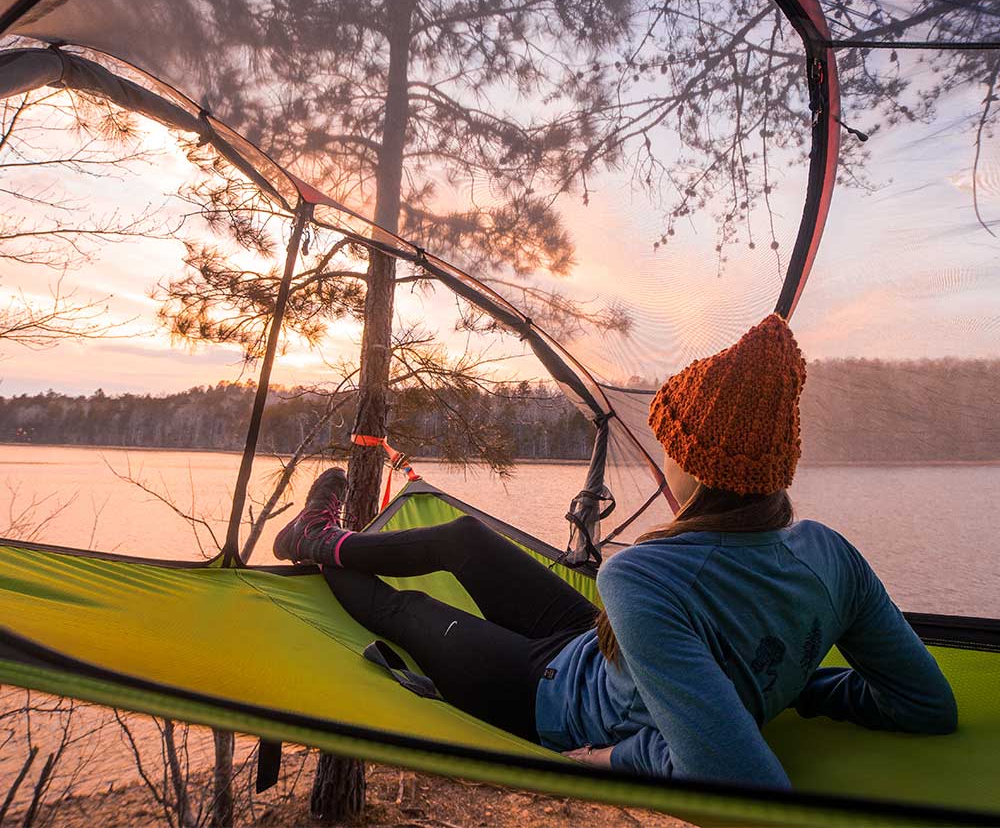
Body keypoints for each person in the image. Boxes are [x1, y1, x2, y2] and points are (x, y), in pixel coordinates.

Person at [274, 314, 957, 788]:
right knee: (464, 537)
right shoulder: (830, 554)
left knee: (409, 611)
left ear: (691, 460)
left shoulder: (643, 575)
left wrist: (616, 760)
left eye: (669, 442)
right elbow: (926, 704)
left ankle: (310, 542)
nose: (663, 454)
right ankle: (335, 538)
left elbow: (740, 776)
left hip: (547, 702)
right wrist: (795, 687)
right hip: (594, 651)